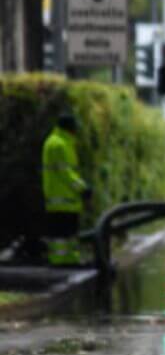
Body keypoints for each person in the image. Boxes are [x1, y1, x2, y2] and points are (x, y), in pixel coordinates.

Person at [42, 113, 91, 266]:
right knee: (61, 233)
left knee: (68, 233)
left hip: (65, 199)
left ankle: (70, 259)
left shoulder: (63, 142)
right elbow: (66, 173)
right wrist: (83, 188)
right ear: (69, 128)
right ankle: (59, 262)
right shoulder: (59, 145)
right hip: (62, 198)